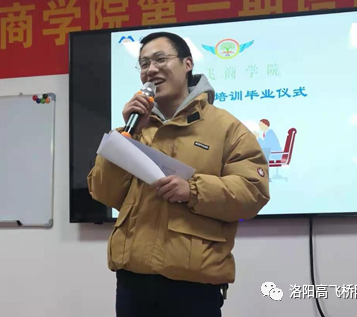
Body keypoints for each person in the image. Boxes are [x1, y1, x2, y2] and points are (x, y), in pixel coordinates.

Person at [87, 32, 270, 317]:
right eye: (144, 63)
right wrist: (127, 136)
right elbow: (103, 192)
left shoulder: (226, 128)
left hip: (194, 288)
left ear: (187, 64)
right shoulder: (134, 128)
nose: (151, 70)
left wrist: (193, 190)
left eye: (160, 59)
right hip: (132, 283)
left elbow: (253, 192)